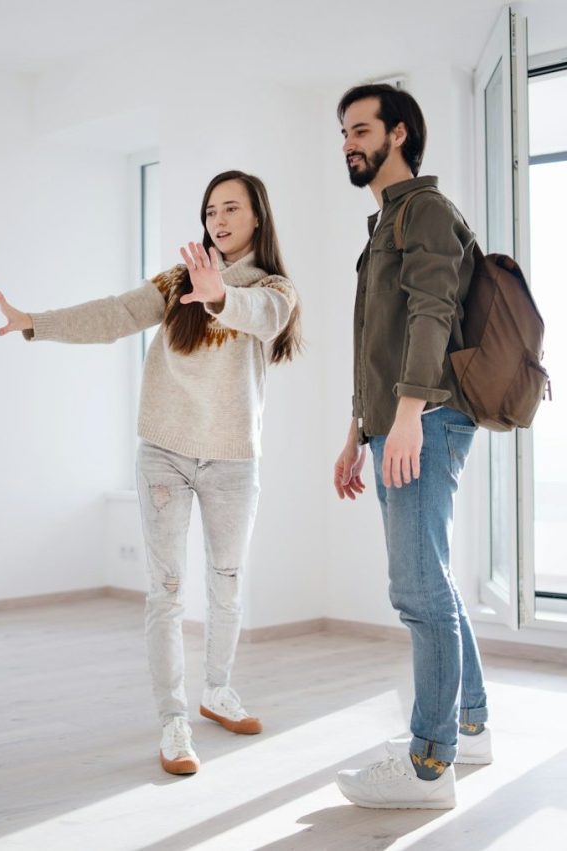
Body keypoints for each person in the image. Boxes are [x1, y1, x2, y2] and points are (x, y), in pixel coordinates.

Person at [0, 170, 301, 776]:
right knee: (169, 590)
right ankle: (173, 719)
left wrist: (220, 296)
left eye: (231, 209)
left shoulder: (276, 288)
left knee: (228, 582)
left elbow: (262, 315)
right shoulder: (176, 281)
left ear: (257, 216)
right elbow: (114, 315)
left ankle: (218, 691)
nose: (219, 221)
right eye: (210, 211)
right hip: (165, 452)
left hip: (234, 458)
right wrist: (33, 321)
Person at [332, 84, 491, 810]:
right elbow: (378, 341)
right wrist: (356, 431)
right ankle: (472, 723)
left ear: (399, 133)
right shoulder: (386, 222)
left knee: (417, 591)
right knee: (434, 580)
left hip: (424, 418)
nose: (348, 143)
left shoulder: (423, 211)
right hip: (396, 419)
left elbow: (432, 314)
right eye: (343, 133)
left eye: (360, 129)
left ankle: (431, 764)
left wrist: (407, 416)